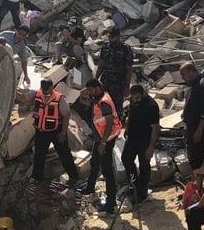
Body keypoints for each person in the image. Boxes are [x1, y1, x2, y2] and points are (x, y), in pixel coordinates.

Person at [16, 79, 80, 185]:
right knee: (39, 155)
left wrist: (63, 133)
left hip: (56, 131)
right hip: (41, 131)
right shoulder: (37, 94)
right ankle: (37, 177)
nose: (45, 91)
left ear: (52, 87)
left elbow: (66, 114)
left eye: (47, 89)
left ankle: (73, 176)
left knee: (64, 154)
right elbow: (24, 98)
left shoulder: (59, 98)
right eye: (43, 89)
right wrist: (14, 92)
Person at [78, 79, 123, 214]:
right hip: (101, 138)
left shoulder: (104, 102)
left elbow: (109, 123)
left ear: (97, 88)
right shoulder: (99, 98)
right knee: (94, 162)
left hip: (106, 140)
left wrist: (103, 142)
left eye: (90, 90)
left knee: (106, 170)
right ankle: (90, 187)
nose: (89, 92)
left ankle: (111, 203)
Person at [122, 85, 159, 204]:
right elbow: (131, 115)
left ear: (143, 94)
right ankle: (134, 185)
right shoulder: (133, 102)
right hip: (132, 137)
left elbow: (155, 128)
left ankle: (142, 193)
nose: (135, 100)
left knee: (144, 165)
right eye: (133, 98)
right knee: (126, 159)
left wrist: (151, 147)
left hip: (145, 139)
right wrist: (127, 129)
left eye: (137, 98)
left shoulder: (151, 106)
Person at [180, 62, 204, 168]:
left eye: (183, 74)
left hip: (201, 130)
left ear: (192, 72)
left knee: (198, 158)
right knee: (193, 157)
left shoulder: (203, 84)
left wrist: (199, 130)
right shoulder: (193, 86)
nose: (182, 78)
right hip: (193, 128)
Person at [95, 27, 133, 114]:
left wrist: (127, 86)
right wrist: (96, 79)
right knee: (103, 104)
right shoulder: (105, 46)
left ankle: (117, 124)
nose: (110, 39)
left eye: (112, 37)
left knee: (116, 108)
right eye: (109, 37)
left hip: (118, 83)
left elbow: (129, 69)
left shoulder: (126, 49)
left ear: (118, 37)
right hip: (106, 81)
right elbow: (101, 64)